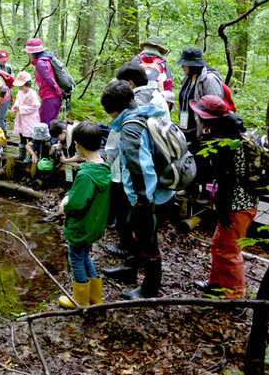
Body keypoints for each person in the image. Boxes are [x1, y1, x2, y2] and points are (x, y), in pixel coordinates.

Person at [100, 80, 174, 299]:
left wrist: (143, 198)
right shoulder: (142, 113)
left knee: (148, 240)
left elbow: (141, 166)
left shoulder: (130, 127)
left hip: (147, 196)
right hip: (146, 193)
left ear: (114, 108)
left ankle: (150, 288)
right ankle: (130, 270)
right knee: (137, 233)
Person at [189, 96, 258, 299]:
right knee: (218, 245)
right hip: (232, 204)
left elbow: (227, 180)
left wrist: (223, 211)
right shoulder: (224, 129)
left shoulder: (228, 142)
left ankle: (234, 299)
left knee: (229, 251)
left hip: (238, 206)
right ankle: (216, 284)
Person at [57, 121, 112, 308]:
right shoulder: (104, 166)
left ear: (77, 145)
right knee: (84, 255)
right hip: (94, 224)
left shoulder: (85, 174)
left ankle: (80, 298)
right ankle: (95, 297)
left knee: (75, 257)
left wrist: (65, 204)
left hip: (81, 226)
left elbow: (76, 204)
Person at [177, 47, 224, 144]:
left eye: (184, 63)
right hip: (186, 129)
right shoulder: (186, 79)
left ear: (192, 65)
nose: (182, 66)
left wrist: (208, 128)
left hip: (202, 133)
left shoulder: (209, 80)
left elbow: (215, 107)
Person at [22, 38, 62, 126]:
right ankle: (54, 139)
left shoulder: (40, 63)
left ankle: (48, 140)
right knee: (53, 124)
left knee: (44, 124)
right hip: (54, 97)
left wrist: (57, 91)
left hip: (50, 97)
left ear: (32, 52)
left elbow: (49, 79)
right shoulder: (47, 59)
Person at [10, 71, 41, 160]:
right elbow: (17, 102)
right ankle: (22, 152)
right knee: (22, 135)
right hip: (21, 117)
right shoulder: (20, 93)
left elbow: (35, 106)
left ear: (27, 84)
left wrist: (21, 108)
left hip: (30, 118)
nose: (19, 87)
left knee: (30, 135)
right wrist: (16, 107)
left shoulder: (32, 94)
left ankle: (32, 154)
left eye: (21, 85)